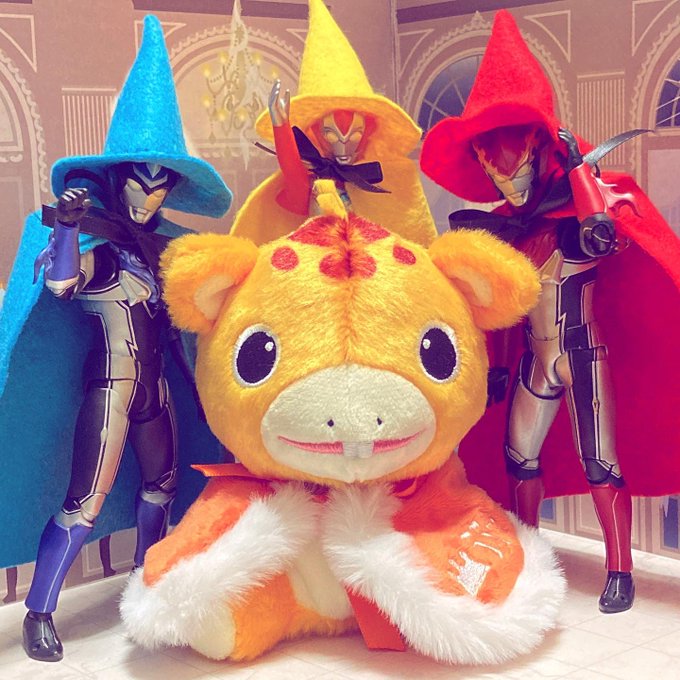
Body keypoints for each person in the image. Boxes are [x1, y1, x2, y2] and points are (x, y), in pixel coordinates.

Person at [420, 9, 680, 614]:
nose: (508, 186)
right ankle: (530, 554)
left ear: (541, 153)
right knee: (518, 458)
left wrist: (579, 169)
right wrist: (491, 363)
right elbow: (496, 306)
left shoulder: (588, 208)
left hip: (584, 351)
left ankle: (620, 570)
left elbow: (600, 235)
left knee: (601, 463)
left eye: (515, 171)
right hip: (536, 360)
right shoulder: (506, 228)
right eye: (496, 175)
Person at [0, 15, 232, 661]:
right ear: (117, 176)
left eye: (162, 184)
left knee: (162, 487)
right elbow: (61, 283)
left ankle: (144, 585)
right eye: (140, 180)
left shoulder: (164, 248)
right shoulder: (97, 244)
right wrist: (68, 228)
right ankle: (39, 612)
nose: (149, 196)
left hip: (155, 390)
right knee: (83, 503)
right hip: (110, 388)